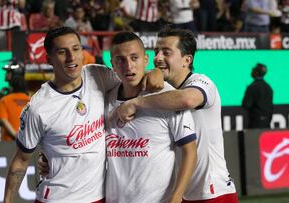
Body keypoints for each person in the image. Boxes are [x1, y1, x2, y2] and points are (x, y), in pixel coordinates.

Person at [3, 26, 163, 203]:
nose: (72, 57)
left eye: (76, 49)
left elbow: (131, 74)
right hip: (58, 198)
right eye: (63, 52)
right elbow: (20, 162)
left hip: (99, 197)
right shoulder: (38, 108)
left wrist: (156, 72)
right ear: (49, 59)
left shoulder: (98, 75)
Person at [112, 28, 238, 203]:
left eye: (166, 52)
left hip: (212, 191)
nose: (158, 58)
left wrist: (136, 102)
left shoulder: (202, 82)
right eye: (156, 52)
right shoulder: (161, 88)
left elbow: (187, 99)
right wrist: (153, 73)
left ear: (187, 60)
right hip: (182, 193)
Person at [105, 31, 197, 203]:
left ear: (146, 60)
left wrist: (177, 196)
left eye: (134, 58)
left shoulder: (168, 98)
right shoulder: (104, 99)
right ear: (113, 64)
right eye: (120, 60)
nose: (128, 66)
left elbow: (190, 151)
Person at [0, 75, 30, 141]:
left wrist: (16, 135)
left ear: (11, 87)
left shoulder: (4, 100)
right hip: (29, 143)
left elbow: (3, 120)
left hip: (8, 143)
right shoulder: (31, 100)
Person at [242, 63, 273, 129]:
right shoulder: (269, 87)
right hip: (267, 122)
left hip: (255, 123)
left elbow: (246, 104)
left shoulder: (252, 87)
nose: (252, 71)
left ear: (256, 72)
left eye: (253, 69)